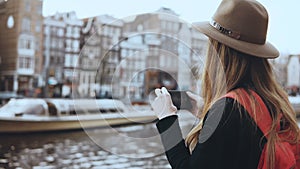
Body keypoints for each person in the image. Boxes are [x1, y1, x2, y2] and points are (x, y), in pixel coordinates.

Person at [150, 0, 300, 168]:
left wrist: (167, 119)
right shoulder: (274, 101)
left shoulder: (228, 110)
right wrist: (207, 113)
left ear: (218, 51)